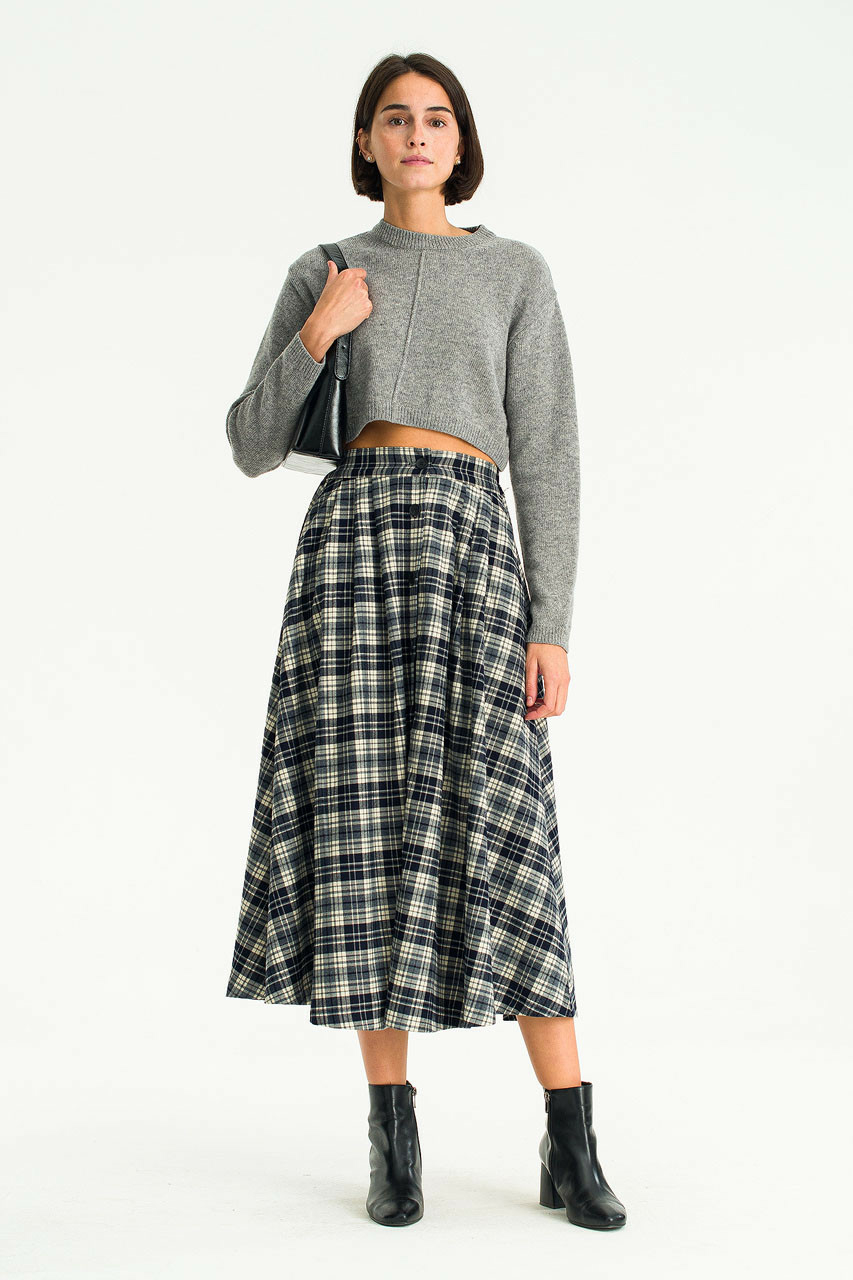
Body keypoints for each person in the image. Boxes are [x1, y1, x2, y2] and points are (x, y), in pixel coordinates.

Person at [223, 51, 626, 1232]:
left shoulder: (513, 271)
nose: (414, 134)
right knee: (363, 831)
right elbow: (251, 441)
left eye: (435, 118)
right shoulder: (325, 267)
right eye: (393, 118)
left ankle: (570, 1136)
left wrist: (552, 625)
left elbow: (547, 452)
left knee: (511, 831)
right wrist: (319, 331)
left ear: (460, 141)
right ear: (366, 141)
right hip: (352, 551)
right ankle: (390, 1135)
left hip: (470, 550)